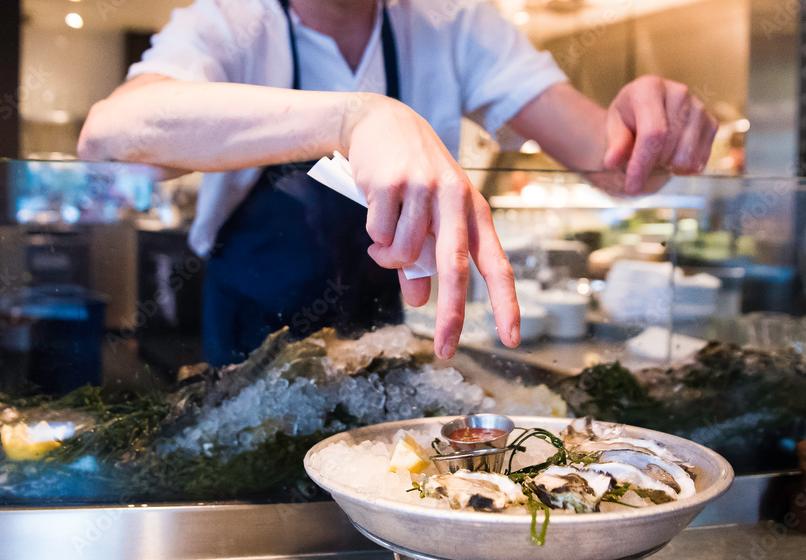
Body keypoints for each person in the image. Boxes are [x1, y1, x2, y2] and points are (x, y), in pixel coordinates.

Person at [78, 0, 717, 367]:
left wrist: (649, 126)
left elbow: (612, 162)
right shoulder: (232, 19)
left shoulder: (451, 18)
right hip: (251, 332)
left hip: (386, 326)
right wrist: (356, 116)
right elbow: (109, 137)